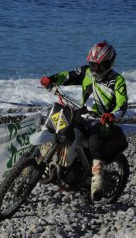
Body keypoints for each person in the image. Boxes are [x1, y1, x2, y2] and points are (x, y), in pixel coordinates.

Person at [39, 41, 128, 201]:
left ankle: (97, 182)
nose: (95, 69)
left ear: (108, 63)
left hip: (103, 121)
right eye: (93, 64)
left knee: (95, 141)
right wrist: (50, 79)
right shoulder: (86, 72)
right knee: (60, 128)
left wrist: (112, 115)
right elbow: (67, 76)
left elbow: (122, 103)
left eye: (99, 65)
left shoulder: (117, 80)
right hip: (82, 115)